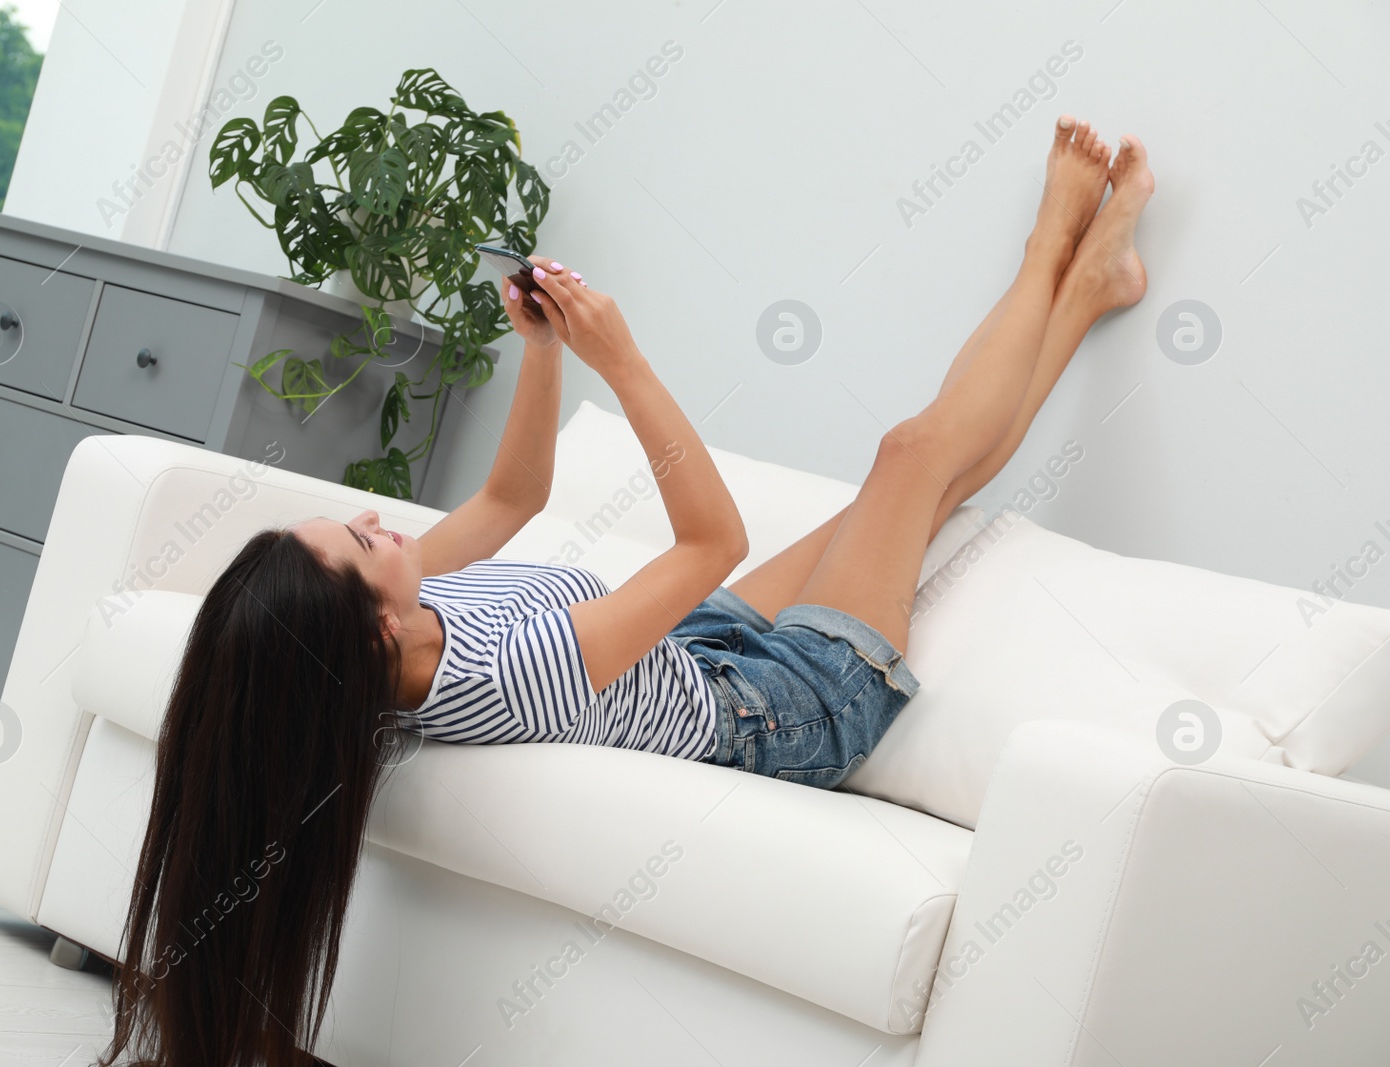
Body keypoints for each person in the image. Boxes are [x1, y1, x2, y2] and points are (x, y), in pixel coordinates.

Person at [100, 115, 1153, 1067]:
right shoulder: (503, 677)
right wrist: (624, 358)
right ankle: (1050, 254)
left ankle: (1085, 285)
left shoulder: (396, 630)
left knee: (925, 479)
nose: (381, 518)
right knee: (914, 454)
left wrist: (544, 349)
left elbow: (513, 493)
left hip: (699, 649)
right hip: (787, 712)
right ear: (367, 622)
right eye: (359, 539)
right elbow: (714, 536)